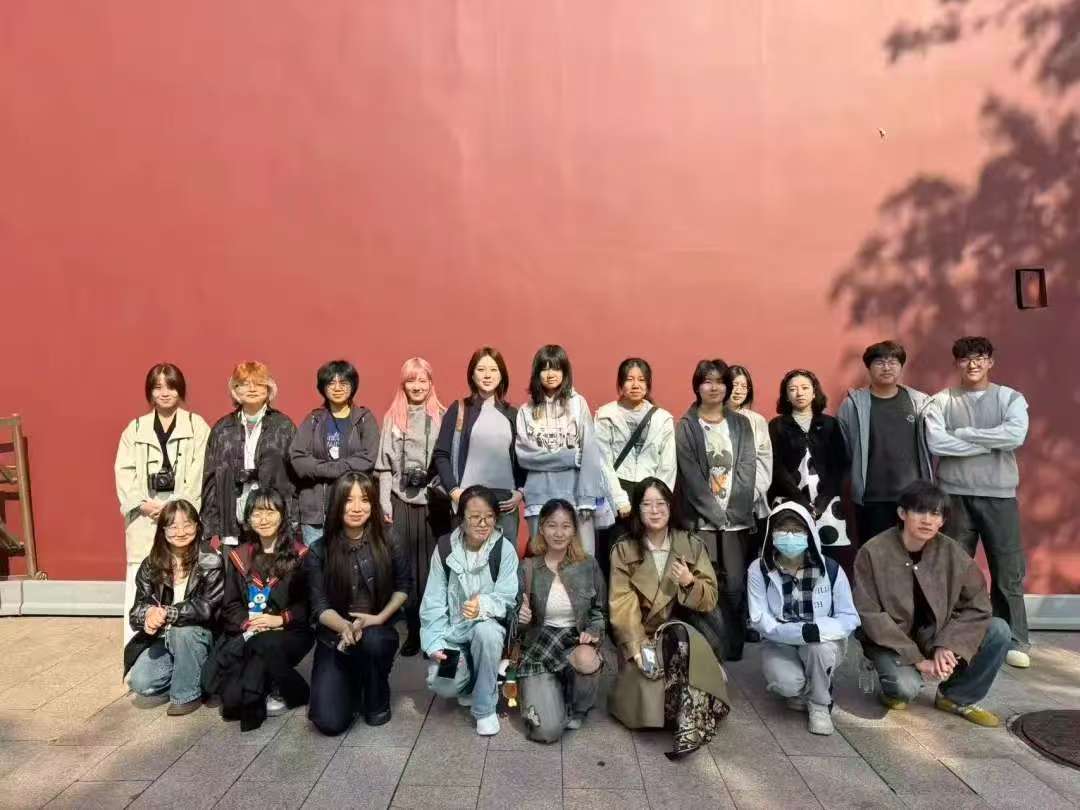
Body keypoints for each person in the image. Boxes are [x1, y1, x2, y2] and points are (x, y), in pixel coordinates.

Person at [853, 480, 1010, 727]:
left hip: (935, 634)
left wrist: (948, 644)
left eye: (935, 514)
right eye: (919, 511)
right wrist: (917, 659)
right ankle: (890, 686)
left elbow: (978, 605)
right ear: (902, 513)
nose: (927, 520)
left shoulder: (952, 552)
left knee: (998, 630)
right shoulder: (873, 552)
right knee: (905, 689)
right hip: (891, 642)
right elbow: (869, 613)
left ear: (942, 521)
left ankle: (955, 697)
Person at [925, 336, 1031, 668]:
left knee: (1007, 570)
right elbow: (937, 443)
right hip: (954, 494)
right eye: (965, 358)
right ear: (956, 363)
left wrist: (966, 434)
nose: (973, 364)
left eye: (980, 357)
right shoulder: (941, 400)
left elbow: (1015, 436)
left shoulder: (1010, 398)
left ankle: (1015, 639)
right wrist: (991, 441)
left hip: (999, 495)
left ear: (990, 362)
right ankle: (949, 637)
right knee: (951, 569)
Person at [608, 478, 730, 758]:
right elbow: (622, 605)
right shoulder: (624, 549)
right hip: (645, 638)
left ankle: (689, 729)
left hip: (688, 636)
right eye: (647, 504)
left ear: (671, 506)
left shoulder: (691, 544)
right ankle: (693, 711)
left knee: (682, 639)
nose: (654, 511)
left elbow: (710, 598)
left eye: (660, 503)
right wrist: (637, 648)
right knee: (647, 698)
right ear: (637, 509)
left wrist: (689, 582)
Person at [306, 473, 410, 735]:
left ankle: (375, 686)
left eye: (364, 500)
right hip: (335, 635)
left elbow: (403, 587)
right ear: (336, 504)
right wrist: (344, 627)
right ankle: (350, 681)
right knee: (328, 722)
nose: (356, 508)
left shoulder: (389, 539)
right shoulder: (319, 550)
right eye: (348, 500)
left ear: (373, 503)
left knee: (374, 641)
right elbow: (319, 606)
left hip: (377, 629)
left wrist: (379, 618)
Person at [115, 363, 210, 646]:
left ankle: (180, 645)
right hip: (145, 516)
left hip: (180, 516)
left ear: (181, 390)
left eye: (171, 386)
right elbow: (124, 472)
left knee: (181, 577)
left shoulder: (196, 426)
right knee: (141, 577)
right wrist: (142, 504)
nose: (164, 393)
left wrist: (175, 508)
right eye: (157, 387)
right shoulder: (135, 428)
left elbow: (200, 472)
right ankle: (137, 648)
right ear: (149, 392)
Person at [203, 489, 313, 731]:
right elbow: (230, 605)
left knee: (266, 645)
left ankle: (282, 688)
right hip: (250, 631)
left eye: (270, 512)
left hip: (288, 632)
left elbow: (308, 605)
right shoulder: (240, 556)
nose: (263, 519)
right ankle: (287, 686)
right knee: (231, 704)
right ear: (248, 519)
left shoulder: (300, 555)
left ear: (282, 515)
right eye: (256, 513)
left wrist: (279, 620)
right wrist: (249, 622)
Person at [746, 503, 860, 736]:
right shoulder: (759, 569)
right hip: (779, 641)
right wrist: (798, 633)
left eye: (797, 530)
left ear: (809, 533)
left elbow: (849, 617)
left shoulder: (831, 569)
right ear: (771, 534)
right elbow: (759, 619)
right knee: (787, 684)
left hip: (821, 641)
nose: (789, 536)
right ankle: (814, 683)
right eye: (782, 530)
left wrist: (817, 630)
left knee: (818, 649)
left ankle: (820, 704)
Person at [420, 485, 522, 737]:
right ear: (462, 518)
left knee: (486, 633)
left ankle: (484, 709)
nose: (483, 523)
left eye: (489, 517)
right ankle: (469, 684)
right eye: (475, 517)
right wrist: (434, 642)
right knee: (441, 681)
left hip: (488, 632)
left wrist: (483, 605)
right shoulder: (445, 548)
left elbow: (507, 597)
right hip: (453, 635)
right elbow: (433, 601)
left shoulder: (504, 549)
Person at [674, 358, 756, 659]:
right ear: (697, 386)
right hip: (700, 521)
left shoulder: (741, 424)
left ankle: (733, 646)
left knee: (734, 584)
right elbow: (691, 477)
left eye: (720, 382)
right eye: (707, 381)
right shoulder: (687, 426)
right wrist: (715, 513)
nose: (714, 387)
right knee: (704, 582)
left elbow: (747, 468)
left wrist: (732, 512)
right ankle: (708, 647)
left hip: (736, 520)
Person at [516, 499, 606, 743]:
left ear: (574, 530)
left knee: (587, 659)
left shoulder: (588, 565)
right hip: (540, 644)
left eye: (566, 526)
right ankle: (550, 691)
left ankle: (577, 706)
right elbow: (516, 624)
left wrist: (593, 630)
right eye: (552, 525)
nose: (559, 533)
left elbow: (599, 611)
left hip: (573, 641)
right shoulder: (528, 567)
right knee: (547, 731)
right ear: (542, 528)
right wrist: (521, 618)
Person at [124, 500, 224, 716]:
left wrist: (172, 612)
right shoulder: (151, 564)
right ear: (162, 530)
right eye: (173, 526)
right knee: (142, 683)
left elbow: (208, 607)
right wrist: (148, 615)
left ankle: (187, 695)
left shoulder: (211, 560)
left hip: (201, 636)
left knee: (183, 631)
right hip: (164, 639)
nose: (181, 532)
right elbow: (137, 610)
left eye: (187, 525)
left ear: (197, 526)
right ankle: (192, 676)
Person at [375, 357, 446, 657]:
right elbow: (384, 466)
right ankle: (414, 631)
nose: (417, 386)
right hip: (400, 500)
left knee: (432, 570)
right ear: (402, 384)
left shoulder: (443, 416)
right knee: (404, 569)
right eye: (410, 381)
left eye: (422, 380)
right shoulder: (393, 416)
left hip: (432, 502)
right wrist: (384, 502)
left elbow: (448, 462)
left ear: (431, 383)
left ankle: (433, 632)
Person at [516, 345, 610, 556]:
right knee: (542, 560)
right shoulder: (526, 410)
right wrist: (570, 457)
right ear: (537, 373)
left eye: (556, 368)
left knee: (582, 559)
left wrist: (587, 497)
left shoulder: (577, 404)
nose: (550, 374)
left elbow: (589, 451)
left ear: (565, 372)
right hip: (538, 496)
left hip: (576, 495)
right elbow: (525, 456)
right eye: (544, 368)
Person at [837, 341, 932, 544]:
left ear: (901, 366)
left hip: (913, 497)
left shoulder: (919, 402)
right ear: (868, 367)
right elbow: (844, 448)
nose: (887, 367)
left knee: (914, 554)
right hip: (871, 498)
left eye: (893, 362)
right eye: (880, 362)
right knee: (874, 554)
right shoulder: (852, 405)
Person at [431, 347, 526, 543]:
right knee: (466, 559)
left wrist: (520, 492)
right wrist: (454, 491)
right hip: (469, 503)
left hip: (505, 505)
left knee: (504, 560)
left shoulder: (512, 414)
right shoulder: (459, 409)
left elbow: (522, 457)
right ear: (472, 375)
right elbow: (441, 454)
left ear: (502, 374)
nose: (487, 375)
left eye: (493, 370)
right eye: (481, 369)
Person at [594, 357, 676, 581]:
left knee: (650, 556)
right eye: (629, 379)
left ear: (648, 384)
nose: (635, 384)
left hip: (650, 491)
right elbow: (602, 462)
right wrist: (619, 499)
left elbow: (668, 465)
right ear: (620, 383)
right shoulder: (606, 415)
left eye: (641, 379)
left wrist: (658, 502)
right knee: (615, 555)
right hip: (617, 491)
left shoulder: (662, 418)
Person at [202, 362, 297, 545]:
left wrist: (293, 519)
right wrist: (209, 525)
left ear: (268, 389)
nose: (252, 389)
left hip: (273, 517)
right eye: (244, 384)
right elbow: (210, 478)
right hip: (233, 518)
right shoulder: (222, 428)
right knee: (236, 562)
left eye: (259, 383)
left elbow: (295, 476)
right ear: (235, 390)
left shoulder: (284, 426)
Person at [290, 360, 380, 546]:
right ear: (322, 387)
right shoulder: (314, 419)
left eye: (343, 383)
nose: (337, 388)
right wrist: (337, 468)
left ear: (353, 386)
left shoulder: (364, 419)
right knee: (316, 562)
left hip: (353, 510)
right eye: (331, 383)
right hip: (316, 514)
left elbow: (368, 458)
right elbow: (297, 458)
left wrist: (325, 468)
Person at [768, 369, 850, 570]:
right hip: (789, 498)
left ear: (814, 393)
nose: (799, 393)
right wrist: (800, 500)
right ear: (786, 395)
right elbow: (776, 466)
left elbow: (839, 465)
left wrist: (822, 502)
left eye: (805, 388)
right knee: (791, 553)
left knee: (831, 557)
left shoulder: (830, 424)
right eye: (792, 389)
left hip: (826, 501)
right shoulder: (777, 425)